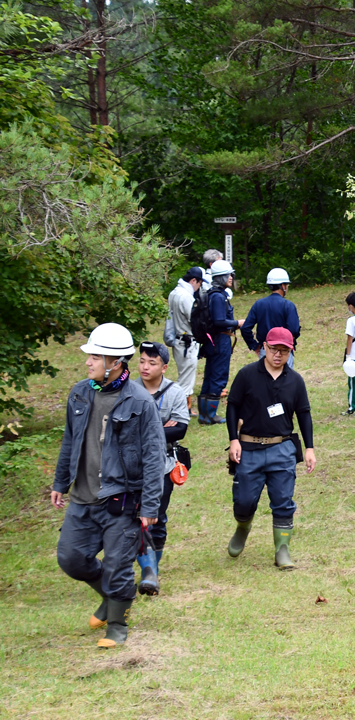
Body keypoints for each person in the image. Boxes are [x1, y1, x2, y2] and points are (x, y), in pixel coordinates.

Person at [50, 324, 165, 648]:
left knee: (118, 565)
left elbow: (154, 457)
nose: (88, 362)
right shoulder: (79, 393)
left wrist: (150, 506)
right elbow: (69, 441)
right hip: (83, 498)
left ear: (115, 362)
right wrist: (60, 482)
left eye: (95, 356)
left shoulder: (140, 401)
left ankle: (117, 623)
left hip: (121, 500)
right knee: (71, 558)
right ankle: (110, 596)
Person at [225, 327, 317, 569]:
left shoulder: (295, 380)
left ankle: (282, 550)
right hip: (249, 448)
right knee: (244, 500)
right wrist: (234, 439)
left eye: (284, 351)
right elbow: (232, 406)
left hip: (282, 449)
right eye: (274, 349)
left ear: (290, 352)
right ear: (264, 346)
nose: (278, 355)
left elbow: (304, 413)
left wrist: (309, 448)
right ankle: (243, 527)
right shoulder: (246, 375)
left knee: (283, 500)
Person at [131, 342, 189, 595]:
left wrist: (144, 430)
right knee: (136, 519)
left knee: (157, 516)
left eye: (152, 363)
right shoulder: (128, 389)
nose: (145, 366)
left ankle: (152, 568)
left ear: (164, 367)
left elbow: (181, 429)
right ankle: (148, 572)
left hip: (163, 465)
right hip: (131, 466)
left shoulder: (175, 392)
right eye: (142, 361)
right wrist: (161, 427)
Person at [198, 259, 243, 425]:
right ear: (220, 277)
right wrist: (237, 323)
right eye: (228, 275)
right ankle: (210, 415)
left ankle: (205, 415)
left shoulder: (212, 294)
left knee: (210, 376)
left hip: (213, 341)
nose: (231, 277)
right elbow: (219, 321)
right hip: (220, 340)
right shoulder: (218, 297)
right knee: (218, 377)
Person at [241, 267, 301, 369]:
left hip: (265, 350)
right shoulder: (288, 305)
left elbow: (245, 328)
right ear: (283, 286)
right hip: (284, 350)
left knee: (265, 382)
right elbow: (294, 330)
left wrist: (255, 346)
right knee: (285, 382)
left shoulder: (258, 304)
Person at [167, 267, 203, 413]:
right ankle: (176, 409)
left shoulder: (174, 292)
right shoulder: (185, 296)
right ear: (194, 281)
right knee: (185, 380)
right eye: (199, 283)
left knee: (185, 375)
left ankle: (185, 408)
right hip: (186, 341)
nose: (199, 288)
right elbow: (193, 319)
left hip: (178, 340)